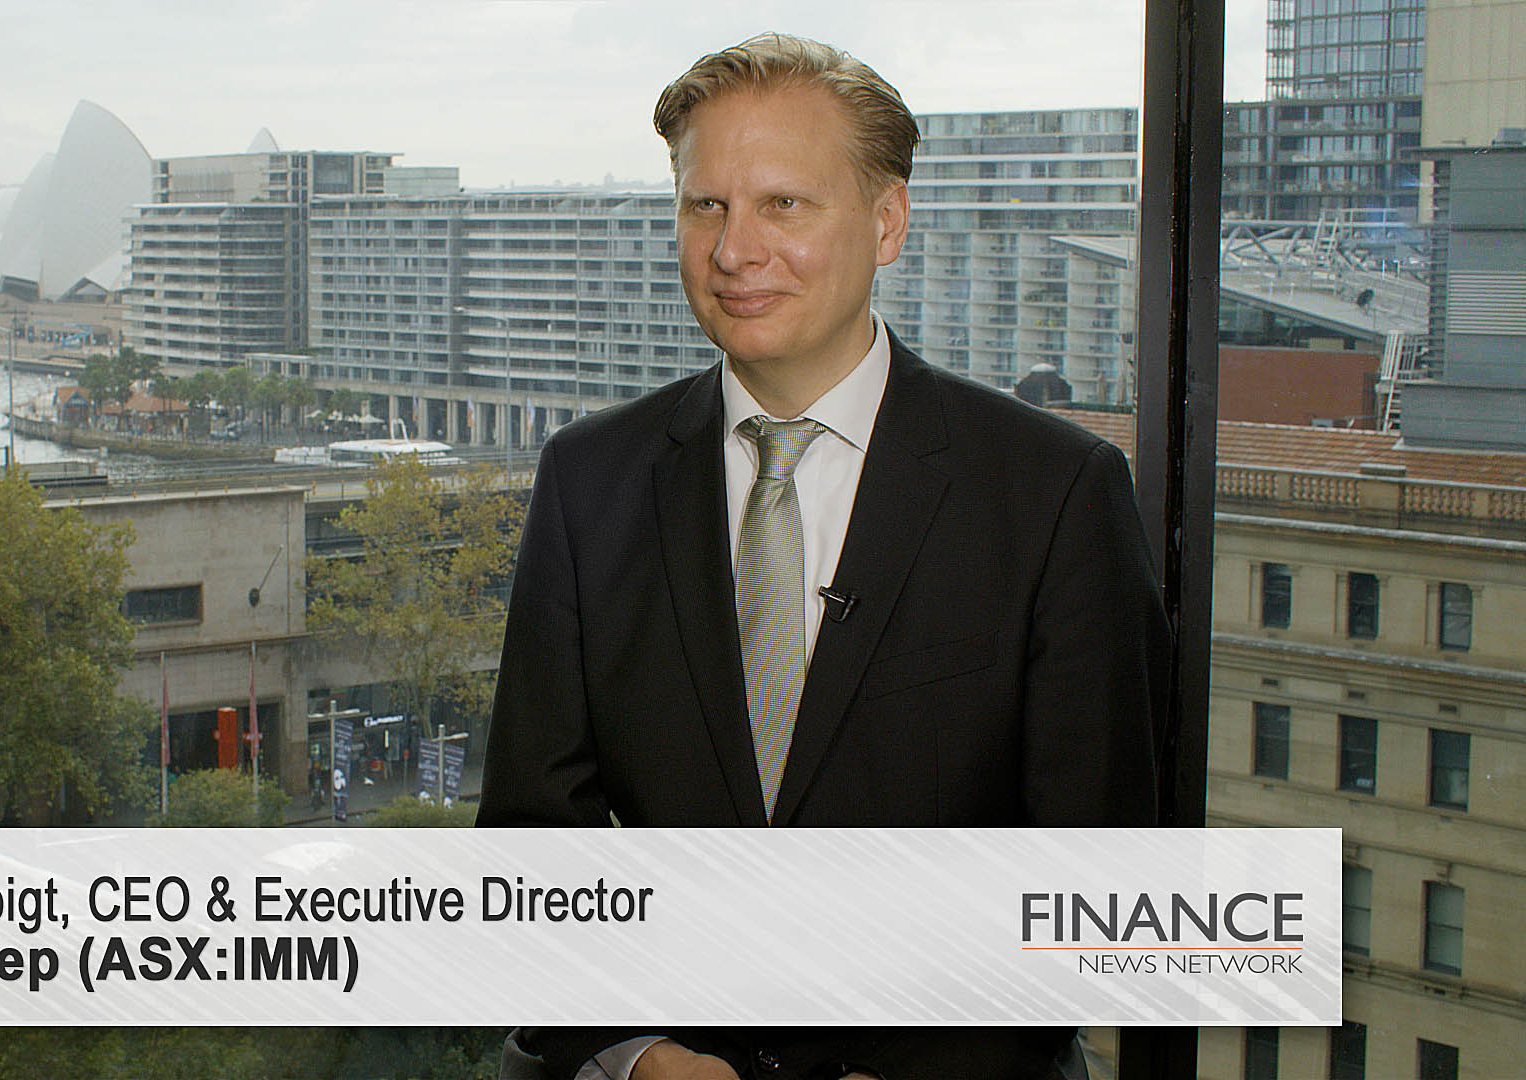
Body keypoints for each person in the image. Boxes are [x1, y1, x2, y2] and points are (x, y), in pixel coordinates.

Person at [477, 32, 1169, 1080]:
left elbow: (1097, 872)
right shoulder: (590, 478)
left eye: (783, 205)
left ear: (888, 221)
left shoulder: (1055, 493)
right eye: (705, 205)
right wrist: (635, 1050)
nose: (734, 250)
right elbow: (534, 839)